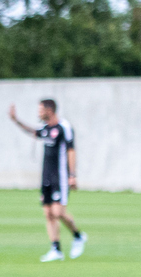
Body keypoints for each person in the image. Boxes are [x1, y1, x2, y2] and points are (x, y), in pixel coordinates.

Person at [8, 99, 86, 262]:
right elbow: (33, 132)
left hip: (61, 176)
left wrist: (72, 175)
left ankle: (78, 236)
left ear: (49, 110)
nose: (39, 113)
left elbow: (71, 150)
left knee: (58, 212)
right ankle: (56, 249)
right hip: (46, 176)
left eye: (41, 110)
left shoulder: (64, 127)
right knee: (48, 213)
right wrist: (16, 120)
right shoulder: (45, 129)